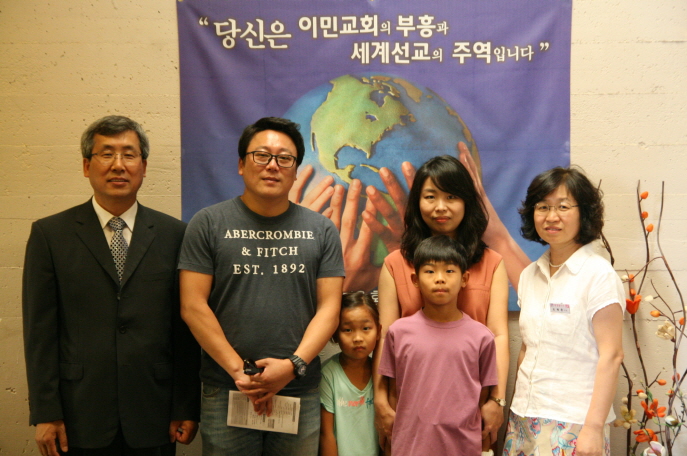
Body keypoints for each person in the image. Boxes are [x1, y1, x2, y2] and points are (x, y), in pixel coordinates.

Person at [22, 115, 200, 456]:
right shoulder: (50, 235)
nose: (118, 165)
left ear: (143, 167)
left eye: (129, 154)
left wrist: (185, 406)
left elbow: (184, 331)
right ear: (86, 166)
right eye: (107, 154)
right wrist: (46, 412)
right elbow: (40, 332)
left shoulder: (176, 235)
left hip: (154, 411)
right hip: (78, 414)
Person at [178, 117, 345, 455]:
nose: (273, 166)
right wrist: (241, 373)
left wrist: (292, 366)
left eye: (285, 158)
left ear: (296, 171)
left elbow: (330, 308)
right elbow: (193, 306)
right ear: (241, 164)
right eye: (262, 155)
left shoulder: (322, 230)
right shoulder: (208, 223)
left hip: (297, 389)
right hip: (227, 388)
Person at [374, 155, 510, 452]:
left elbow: (499, 335)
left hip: (469, 410)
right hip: (410, 411)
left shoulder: (492, 263)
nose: (440, 207)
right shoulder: (395, 264)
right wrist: (380, 401)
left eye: (451, 197)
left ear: (467, 202)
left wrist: (496, 399)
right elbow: (385, 337)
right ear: (417, 203)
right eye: (430, 197)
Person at [503, 167, 624, 456]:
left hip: (574, 422)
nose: (551, 216)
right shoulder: (530, 275)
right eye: (543, 207)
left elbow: (612, 355)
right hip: (523, 417)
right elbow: (527, 348)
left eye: (563, 207)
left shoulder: (598, 275)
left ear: (584, 213)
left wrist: (593, 428)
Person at [378, 235, 498, 456]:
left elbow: (483, 394)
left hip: (462, 447)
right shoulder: (399, 332)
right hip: (410, 446)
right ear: (415, 279)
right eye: (430, 271)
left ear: (464, 278)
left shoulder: (481, 337)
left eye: (449, 271)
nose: (440, 279)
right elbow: (394, 391)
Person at [320, 292, 381, 456]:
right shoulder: (328, 374)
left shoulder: (382, 374)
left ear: (379, 331)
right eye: (348, 330)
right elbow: (326, 435)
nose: (358, 338)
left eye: (366, 328)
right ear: (335, 334)